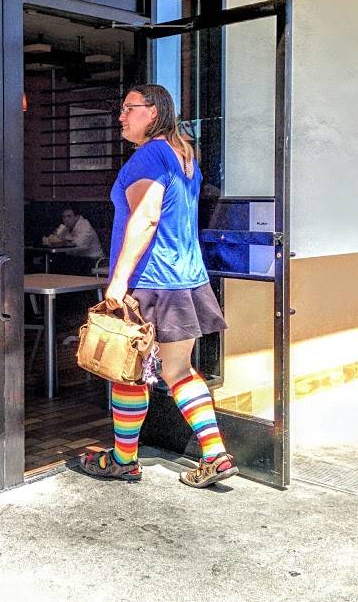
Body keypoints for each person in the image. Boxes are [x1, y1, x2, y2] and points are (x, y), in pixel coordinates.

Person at [78, 84, 235, 488]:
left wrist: (118, 282)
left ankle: (123, 460)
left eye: (128, 108)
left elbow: (146, 219)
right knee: (179, 370)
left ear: (153, 112)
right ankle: (215, 455)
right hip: (184, 280)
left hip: (149, 281)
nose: (121, 116)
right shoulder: (183, 155)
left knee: (127, 372)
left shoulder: (148, 156)